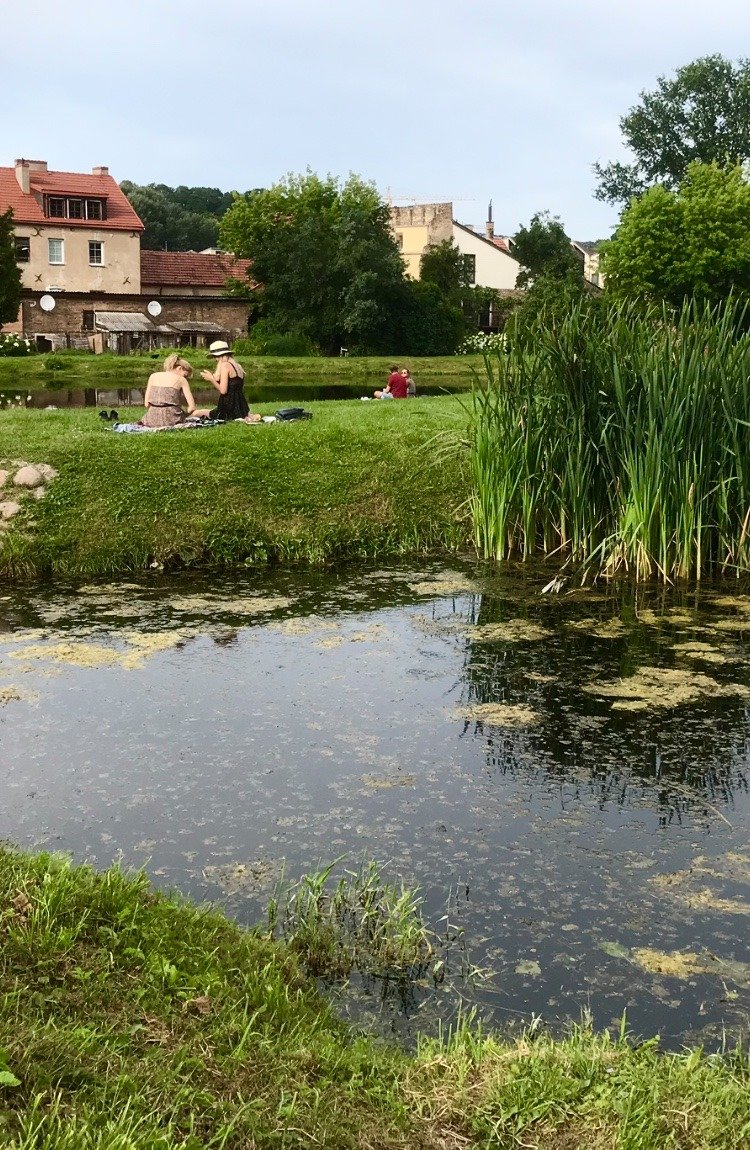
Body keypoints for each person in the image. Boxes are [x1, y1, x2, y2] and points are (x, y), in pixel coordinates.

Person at [200, 340, 258, 421]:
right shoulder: (237, 366)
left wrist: (211, 379)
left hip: (228, 406)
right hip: (241, 406)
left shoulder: (225, 365)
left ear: (219, 355)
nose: (215, 359)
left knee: (197, 413)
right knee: (204, 412)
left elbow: (223, 391)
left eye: (215, 356)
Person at [140, 354, 204, 428]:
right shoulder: (181, 380)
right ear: (179, 368)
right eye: (185, 375)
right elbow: (192, 407)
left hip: (151, 420)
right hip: (172, 420)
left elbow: (146, 404)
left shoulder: (153, 376)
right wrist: (184, 415)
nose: (185, 378)